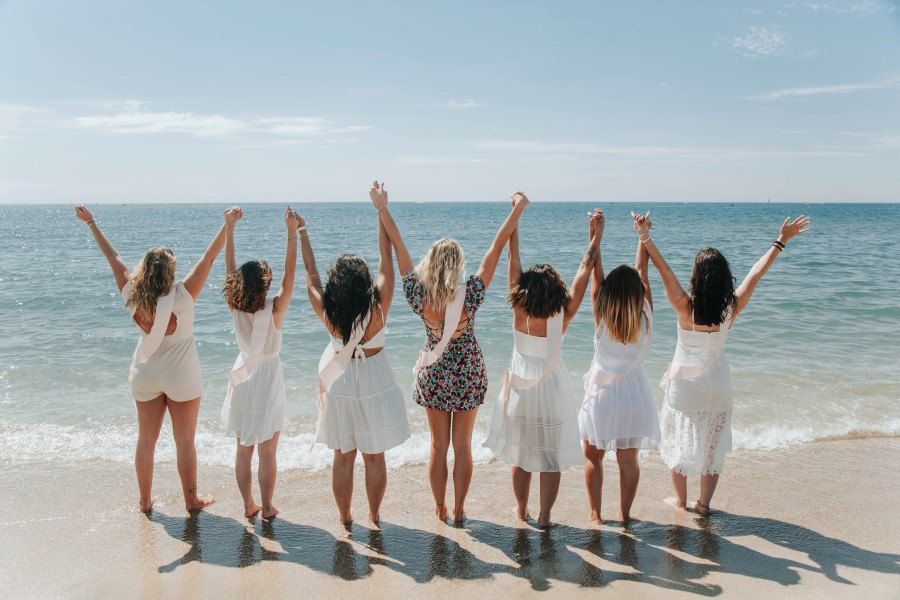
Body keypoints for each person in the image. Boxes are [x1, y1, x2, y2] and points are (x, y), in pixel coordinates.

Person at [635, 211, 811, 516]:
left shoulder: (683, 306)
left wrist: (644, 236)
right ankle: (703, 504)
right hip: (717, 387)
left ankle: (679, 499)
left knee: (678, 441)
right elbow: (756, 272)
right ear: (723, 277)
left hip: (684, 387)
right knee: (713, 447)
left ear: (696, 277)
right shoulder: (731, 308)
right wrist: (781, 240)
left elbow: (662, 269)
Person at [375, 183, 529, 524]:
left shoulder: (418, 294)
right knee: (462, 447)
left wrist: (381, 209)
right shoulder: (470, 293)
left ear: (429, 262)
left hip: (434, 373)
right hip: (468, 372)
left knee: (437, 447)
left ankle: (440, 508)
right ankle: (460, 510)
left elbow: (397, 247)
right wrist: (516, 210)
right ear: (458, 264)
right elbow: (495, 248)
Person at [74, 204, 227, 513]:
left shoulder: (131, 292)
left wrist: (91, 223)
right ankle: (191, 500)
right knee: (184, 441)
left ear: (144, 268)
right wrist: (228, 225)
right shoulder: (183, 294)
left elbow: (113, 258)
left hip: (145, 372)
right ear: (170, 271)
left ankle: (144, 501)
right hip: (182, 375)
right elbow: (209, 257)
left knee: (146, 440)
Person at [483, 207, 603, 527]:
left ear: (524, 288)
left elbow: (513, 257)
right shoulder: (562, 313)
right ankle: (546, 517)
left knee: (521, 456)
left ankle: (521, 511)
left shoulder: (519, 308)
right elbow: (584, 268)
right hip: (552, 389)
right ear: (555, 290)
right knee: (550, 458)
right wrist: (595, 236)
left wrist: (515, 217)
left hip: (522, 386)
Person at [298, 195, 410, 525]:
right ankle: (374, 516)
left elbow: (310, 273)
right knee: (374, 458)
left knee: (343, 457)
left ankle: (346, 517)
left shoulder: (329, 313)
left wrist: (301, 231)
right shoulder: (378, 307)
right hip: (374, 378)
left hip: (340, 381)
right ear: (364, 284)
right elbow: (385, 259)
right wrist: (380, 210)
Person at [580, 210, 661, 525]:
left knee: (593, 458)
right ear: (639, 295)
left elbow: (594, 272)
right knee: (628, 461)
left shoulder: (601, 315)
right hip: (634, 396)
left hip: (602, 394)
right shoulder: (645, 317)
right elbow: (642, 270)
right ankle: (625, 515)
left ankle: (596, 515)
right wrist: (642, 235)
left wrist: (595, 234)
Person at [221, 206, 300, 519]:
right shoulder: (274, 310)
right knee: (268, 451)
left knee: (244, 449)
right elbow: (291, 275)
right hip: (268, 380)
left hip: (243, 377)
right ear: (266, 285)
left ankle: (248, 505)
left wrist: (230, 229)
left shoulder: (235, 307)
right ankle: (267, 507)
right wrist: (291, 232)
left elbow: (229, 270)